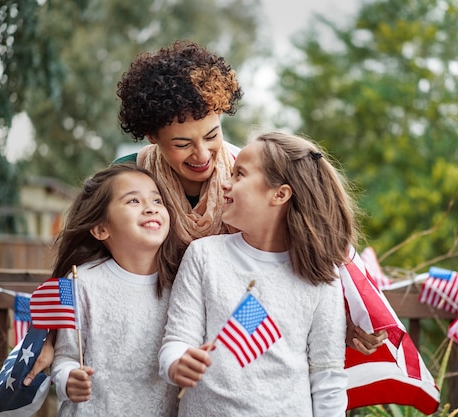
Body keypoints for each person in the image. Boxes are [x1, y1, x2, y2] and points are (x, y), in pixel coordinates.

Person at [23, 39, 384, 386]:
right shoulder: (128, 177)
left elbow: (297, 247)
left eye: (211, 135)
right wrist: (50, 338)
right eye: (182, 144)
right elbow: (74, 256)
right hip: (144, 344)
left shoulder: (250, 177)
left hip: (225, 352)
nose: (201, 155)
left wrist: (346, 315)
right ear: (152, 137)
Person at [158, 131, 356, 416]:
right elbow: (176, 342)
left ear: (280, 194)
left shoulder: (321, 276)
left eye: (239, 175)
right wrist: (177, 363)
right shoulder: (204, 255)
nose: (225, 184)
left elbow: (327, 377)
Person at [49, 164, 183, 416]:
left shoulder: (180, 283)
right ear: (101, 229)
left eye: (157, 199)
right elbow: (65, 356)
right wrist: (68, 379)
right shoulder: (82, 283)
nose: (151, 207)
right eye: (133, 200)